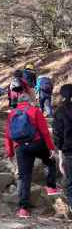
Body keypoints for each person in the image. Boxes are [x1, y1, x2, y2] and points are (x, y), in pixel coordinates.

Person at [5, 93, 60, 218]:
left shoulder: (12, 113)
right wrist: (51, 148)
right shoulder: (35, 111)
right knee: (50, 162)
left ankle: (24, 209)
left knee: (24, 177)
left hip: (20, 147)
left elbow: (8, 135)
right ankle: (51, 187)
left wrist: (10, 152)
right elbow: (45, 131)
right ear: (29, 101)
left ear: (18, 102)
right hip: (37, 144)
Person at [53, 84, 72, 213]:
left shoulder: (60, 111)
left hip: (69, 152)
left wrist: (60, 156)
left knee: (70, 183)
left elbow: (57, 135)